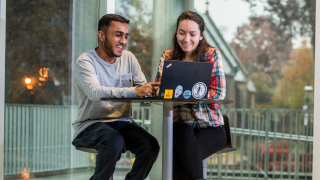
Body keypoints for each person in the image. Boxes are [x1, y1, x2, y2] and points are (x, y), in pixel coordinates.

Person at [72, 14, 160, 180]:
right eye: (118, 35)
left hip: (123, 122)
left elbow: (141, 89)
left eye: (126, 36)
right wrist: (135, 91)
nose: (123, 41)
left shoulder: (129, 58)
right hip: (91, 124)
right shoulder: (85, 61)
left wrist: (155, 90)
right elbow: (95, 93)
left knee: (150, 146)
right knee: (113, 140)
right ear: (101, 35)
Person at [155, 10, 227, 180]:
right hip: (182, 126)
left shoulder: (212, 55)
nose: (186, 39)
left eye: (192, 34)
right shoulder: (167, 57)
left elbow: (219, 93)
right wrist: (191, 92)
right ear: (176, 34)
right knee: (182, 131)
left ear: (201, 35)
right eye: (182, 33)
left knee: (182, 159)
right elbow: (160, 91)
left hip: (211, 127)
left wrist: (183, 95)